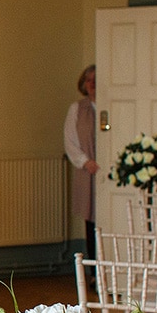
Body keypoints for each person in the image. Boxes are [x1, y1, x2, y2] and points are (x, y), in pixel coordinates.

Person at [64, 64, 99, 261]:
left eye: (96, 79)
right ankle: (94, 270)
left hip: (107, 171)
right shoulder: (77, 109)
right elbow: (70, 141)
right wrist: (86, 162)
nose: (93, 84)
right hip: (88, 171)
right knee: (91, 221)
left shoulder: (114, 105)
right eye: (89, 80)